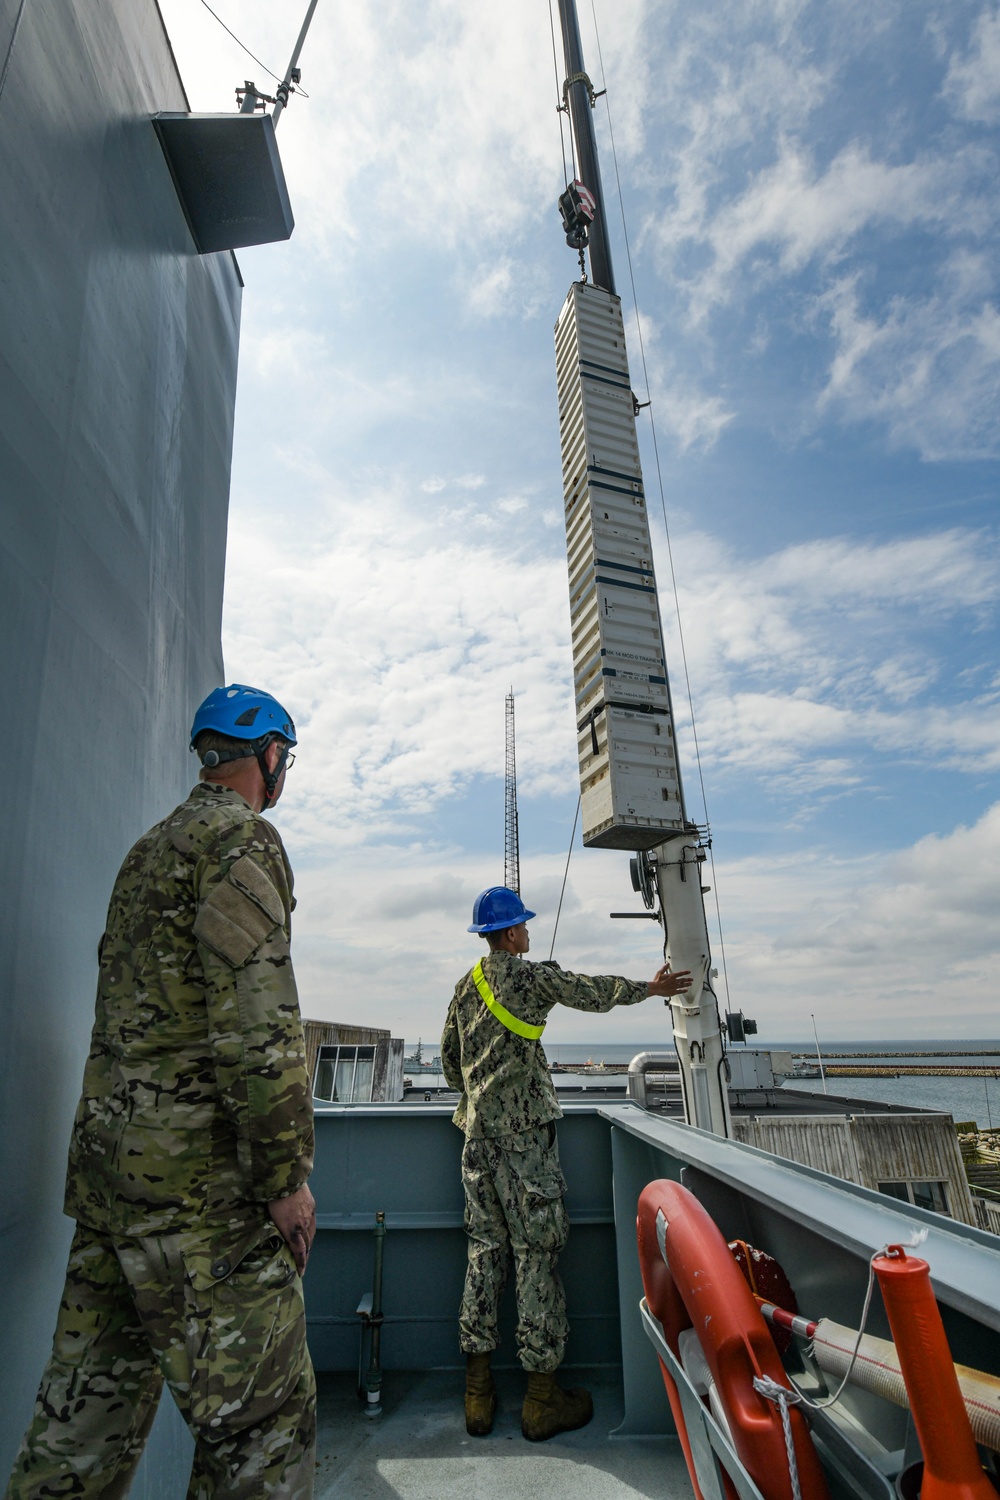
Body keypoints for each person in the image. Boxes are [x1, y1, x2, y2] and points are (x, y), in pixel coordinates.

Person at [7, 684, 317, 1500]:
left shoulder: (146, 852)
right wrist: (285, 1179)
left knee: (77, 1436)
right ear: (270, 758)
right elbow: (258, 1029)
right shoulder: (240, 844)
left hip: (111, 1194)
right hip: (200, 1205)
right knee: (265, 1434)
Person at [441, 885, 692, 1443]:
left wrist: (483, 1096)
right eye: (523, 926)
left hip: (476, 1140)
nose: (528, 932)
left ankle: (477, 1396)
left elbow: (449, 1065)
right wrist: (649, 990)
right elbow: (591, 992)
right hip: (526, 1143)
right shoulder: (529, 977)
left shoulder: (464, 988)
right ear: (510, 935)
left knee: (484, 1254)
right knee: (535, 1256)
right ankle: (540, 1400)